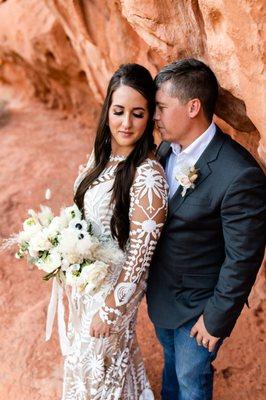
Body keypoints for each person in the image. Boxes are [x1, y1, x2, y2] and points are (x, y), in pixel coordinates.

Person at [146, 58, 266, 400]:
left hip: (199, 309)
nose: (155, 116)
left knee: (191, 381)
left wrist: (215, 319)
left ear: (192, 106)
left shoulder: (239, 174)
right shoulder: (167, 148)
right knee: (171, 367)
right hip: (162, 296)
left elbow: (243, 257)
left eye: (161, 107)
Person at [62, 63, 168, 400]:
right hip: (85, 286)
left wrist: (111, 310)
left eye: (137, 114)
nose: (126, 123)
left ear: (150, 117)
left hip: (111, 297)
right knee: (85, 372)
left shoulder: (147, 175)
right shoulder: (100, 156)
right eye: (119, 111)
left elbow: (140, 257)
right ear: (107, 108)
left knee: (101, 380)